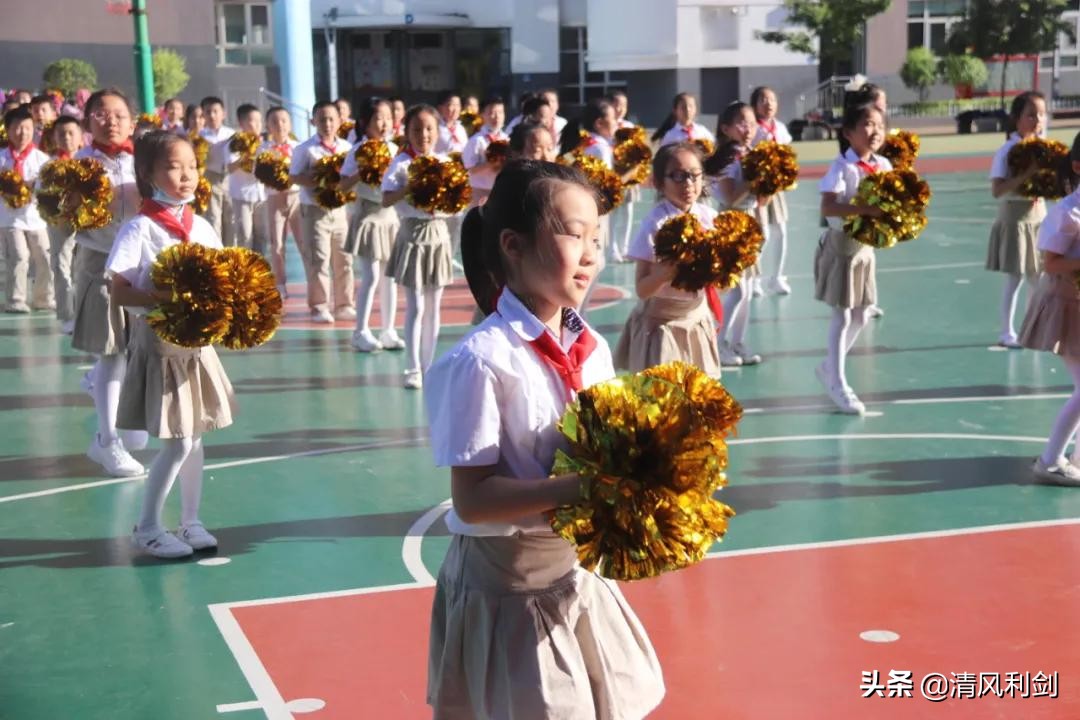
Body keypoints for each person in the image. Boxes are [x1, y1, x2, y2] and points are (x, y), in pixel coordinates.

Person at [426, 159, 664, 718]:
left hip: (573, 574)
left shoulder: (594, 350)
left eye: (597, 239)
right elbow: (474, 500)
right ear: (512, 244)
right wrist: (588, 487)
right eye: (573, 235)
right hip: (506, 591)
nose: (589, 254)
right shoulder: (480, 363)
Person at [108, 130, 236, 558]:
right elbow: (119, 291)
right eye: (173, 167)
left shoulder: (200, 224)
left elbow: (220, 276)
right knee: (179, 439)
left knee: (196, 435)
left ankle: (191, 521)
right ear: (147, 173)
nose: (185, 175)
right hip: (160, 344)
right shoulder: (139, 227)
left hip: (196, 344)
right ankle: (146, 527)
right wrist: (165, 298)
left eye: (191, 166)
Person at [614, 142, 722, 377]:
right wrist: (667, 271)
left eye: (694, 175)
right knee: (664, 404)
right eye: (678, 176)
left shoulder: (709, 217)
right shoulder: (655, 224)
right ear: (659, 182)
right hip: (662, 326)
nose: (689, 184)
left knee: (699, 401)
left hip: (697, 319)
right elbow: (642, 289)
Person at [814, 100, 891, 415]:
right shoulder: (842, 167)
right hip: (842, 249)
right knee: (843, 315)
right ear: (848, 132)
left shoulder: (884, 165)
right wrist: (866, 209)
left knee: (862, 313)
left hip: (865, 251)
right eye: (867, 125)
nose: (875, 131)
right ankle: (839, 383)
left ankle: (829, 367)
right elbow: (828, 208)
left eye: (880, 125)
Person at [380, 104, 454, 389]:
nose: (423, 134)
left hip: (438, 236)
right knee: (416, 305)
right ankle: (412, 367)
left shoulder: (445, 162)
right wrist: (409, 187)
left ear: (437, 131)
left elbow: (456, 201)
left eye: (429, 129)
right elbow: (386, 199)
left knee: (435, 305)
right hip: (412, 236)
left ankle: (429, 365)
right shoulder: (400, 163)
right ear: (407, 131)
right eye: (416, 129)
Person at [988, 91, 1048, 348]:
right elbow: (997, 190)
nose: (1038, 120)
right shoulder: (1008, 150)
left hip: (1039, 218)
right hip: (1015, 218)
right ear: (1016, 119)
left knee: (1038, 278)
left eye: (1042, 114)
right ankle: (1006, 331)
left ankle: (1032, 328)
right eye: (1031, 114)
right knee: (1015, 277)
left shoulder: (1045, 148)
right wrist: (1027, 175)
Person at [289, 100, 356, 323]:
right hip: (314, 210)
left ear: (339, 121)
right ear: (313, 121)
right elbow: (294, 176)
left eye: (331, 119)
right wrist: (318, 179)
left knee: (344, 258)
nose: (327, 123)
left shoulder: (347, 148)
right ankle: (319, 304)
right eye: (322, 119)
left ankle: (344, 303)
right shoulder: (305, 149)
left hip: (339, 210)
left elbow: (350, 177)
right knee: (319, 258)